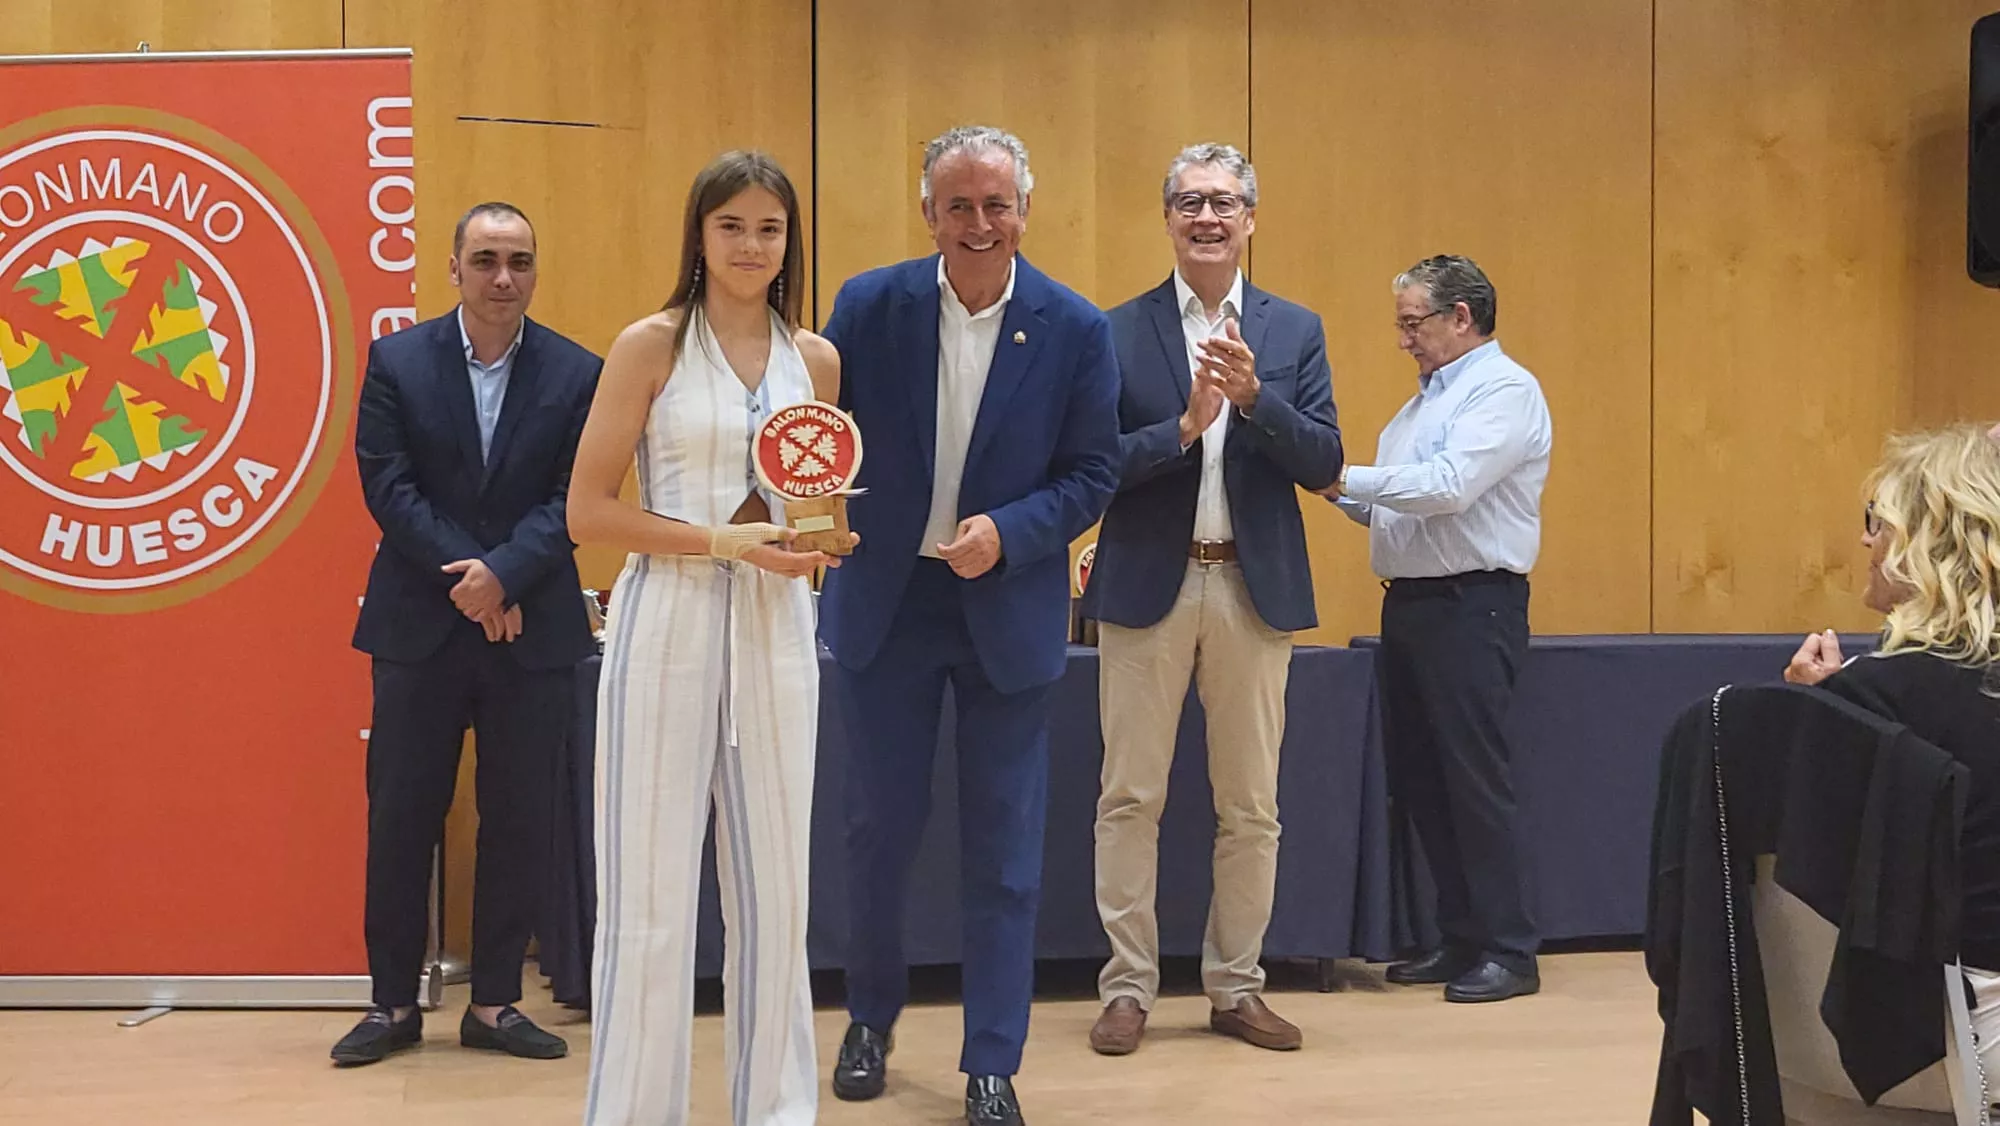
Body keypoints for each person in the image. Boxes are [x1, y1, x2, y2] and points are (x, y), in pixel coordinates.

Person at [816, 124, 1121, 1126]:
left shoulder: (1075, 327)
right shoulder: (868, 306)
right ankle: (868, 1019)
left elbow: (1092, 473)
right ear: (928, 214)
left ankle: (993, 1058)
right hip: (887, 605)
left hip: (1007, 607)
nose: (979, 223)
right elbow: (820, 436)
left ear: (1024, 212)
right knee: (876, 834)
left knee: (1003, 851)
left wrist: (1011, 531)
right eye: (960, 206)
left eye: (996, 205)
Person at [565, 151, 848, 1126]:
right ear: (699, 233)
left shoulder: (815, 360)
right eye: (731, 226)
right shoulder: (648, 346)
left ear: (789, 241)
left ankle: (777, 1110)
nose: (750, 245)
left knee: (777, 894)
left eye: (769, 228)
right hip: (666, 624)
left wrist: (822, 545)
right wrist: (718, 540)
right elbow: (587, 512)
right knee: (646, 896)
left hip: (777, 630)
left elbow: (815, 511)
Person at [1081, 142, 1342, 1056]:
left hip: (1251, 587)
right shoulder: (1115, 329)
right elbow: (1092, 467)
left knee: (1251, 806)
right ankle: (1127, 988)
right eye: (1190, 202)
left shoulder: (1294, 329)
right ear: (1167, 219)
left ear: (1250, 220)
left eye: (1224, 203)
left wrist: (1258, 400)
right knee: (1129, 798)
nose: (1207, 217)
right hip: (1146, 585)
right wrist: (1184, 428)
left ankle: (1237, 987)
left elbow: (1325, 460)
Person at [335, 202, 602, 1065]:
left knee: (519, 818)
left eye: (519, 261)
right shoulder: (398, 361)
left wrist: (506, 576)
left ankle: (493, 1003)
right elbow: (389, 487)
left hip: (532, 632)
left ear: (535, 270)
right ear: (453, 268)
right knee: (401, 816)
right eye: (485, 259)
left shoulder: (579, 372)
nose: (502, 277)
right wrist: (477, 582)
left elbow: (576, 495)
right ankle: (390, 1004)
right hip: (421, 626)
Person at [1321, 253, 1551, 1004]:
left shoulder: (1504, 391)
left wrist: (1347, 476)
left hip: (1473, 605)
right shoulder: (1419, 407)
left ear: (1461, 317)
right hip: (1414, 605)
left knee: (1473, 779)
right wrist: (1323, 480)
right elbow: (1394, 506)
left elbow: (1449, 488)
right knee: (1425, 777)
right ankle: (1461, 936)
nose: (1403, 340)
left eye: (1413, 323)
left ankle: (1510, 949)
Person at [1781, 422, 2000, 1076]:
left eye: (1877, 519)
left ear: (1926, 539)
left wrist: (1820, 714)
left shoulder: (1866, 698)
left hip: (1900, 1033)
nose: (1865, 539)